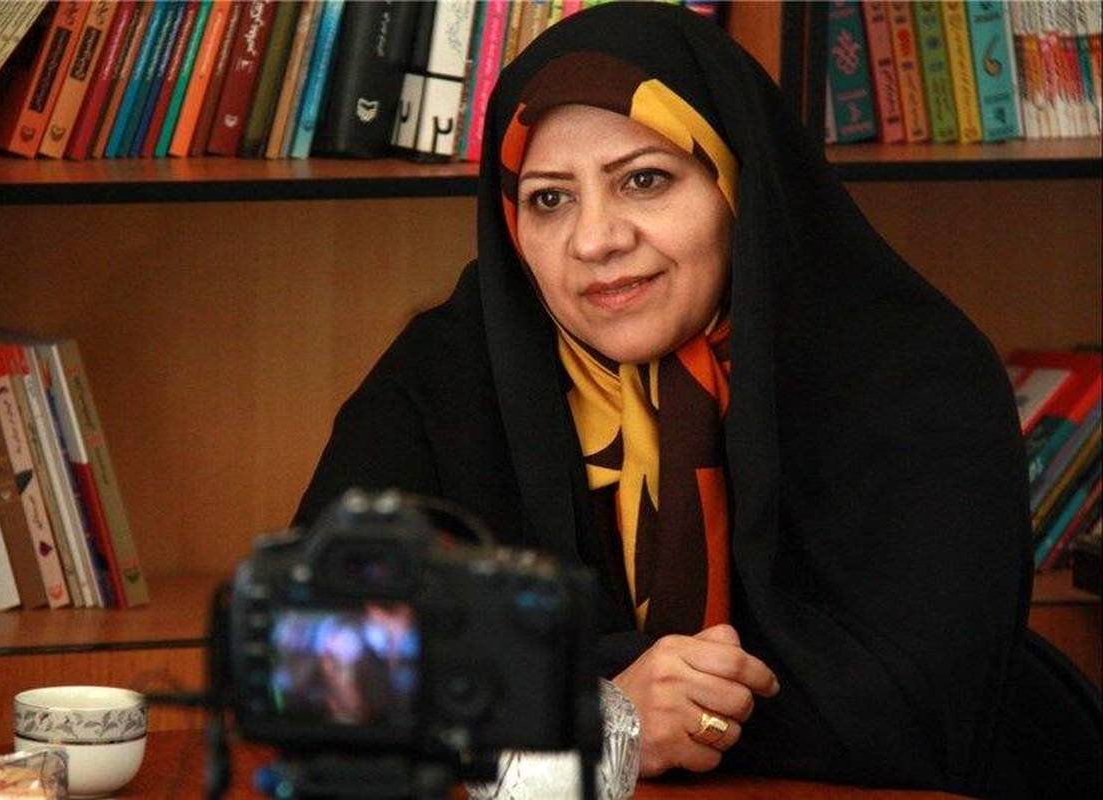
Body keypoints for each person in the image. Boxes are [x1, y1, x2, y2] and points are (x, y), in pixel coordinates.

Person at [294, 3, 1099, 796]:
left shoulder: (910, 371)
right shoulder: (451, 370)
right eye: (549, 198)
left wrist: (554, 695)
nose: (596, 239)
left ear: (734, 182)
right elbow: (312, 656)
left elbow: (918, 712)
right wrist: (601, 708)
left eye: (644, 180)